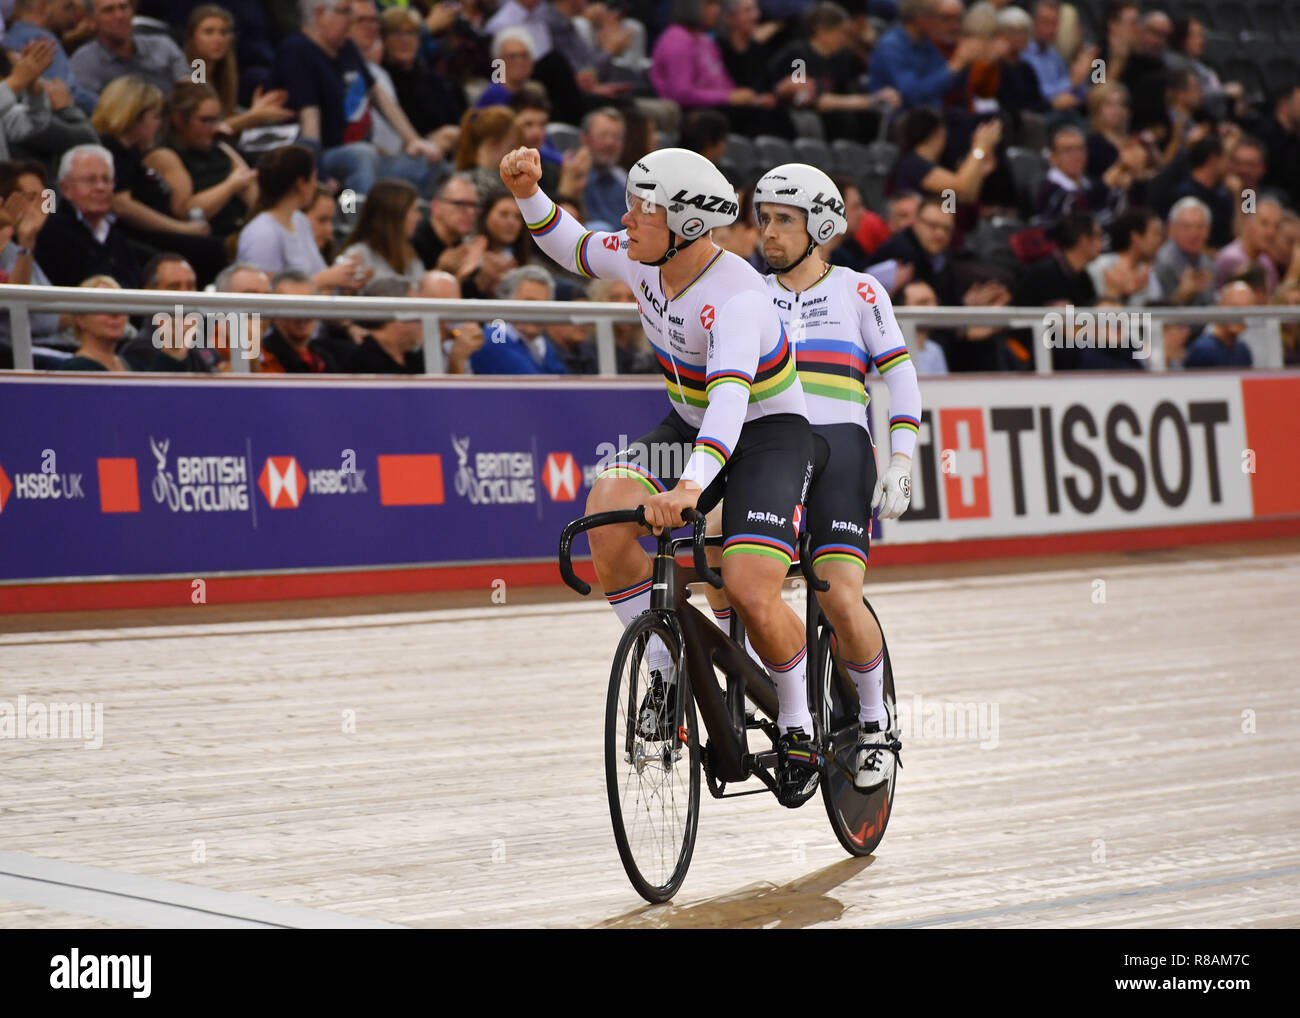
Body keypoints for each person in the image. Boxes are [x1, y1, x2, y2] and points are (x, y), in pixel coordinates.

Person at [501, 142, 829, 808]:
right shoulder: (642, 255)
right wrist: (528, 192)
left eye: (639, 211)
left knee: (747, 586)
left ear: (682, 226)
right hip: (688, 425)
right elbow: (573, 247)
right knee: (609, 506)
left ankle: (798, 720)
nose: (625, 221)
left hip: (766, 436)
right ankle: (664, 674)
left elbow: (733, 397)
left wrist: (688, 487)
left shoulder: (736, 295)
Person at [750, 163, 919, 790]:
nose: (767, 231)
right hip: (767, 447)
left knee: (838, 594)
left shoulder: (858, 291)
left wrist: (900, 459)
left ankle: (874, 719)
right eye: (763, 217)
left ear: (820, 225)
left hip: (841, 445)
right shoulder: (748, 290)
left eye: (783, 220)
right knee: (724, 575)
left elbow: (899, 376)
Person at [268, 0, 444, 197]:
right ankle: (354, 220)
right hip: (322, 157)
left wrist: (413, 140)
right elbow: (309, 122)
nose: (351, 20)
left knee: (428, 159)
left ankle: (414, 220)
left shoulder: (346, 47)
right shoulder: (297, 51)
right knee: (359, 156)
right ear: (319, 14)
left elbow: (377, 94)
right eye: (345, 12)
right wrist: (317, 174)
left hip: (366, 156)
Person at [92, 75, 228, 287]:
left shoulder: (134, 153)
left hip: (153, 233)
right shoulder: (112, 149)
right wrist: (181, 229)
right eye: (155, 117)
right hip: (134, 235)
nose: (159, 124)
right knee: (212, 250)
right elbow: (122, 205)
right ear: (135, 117)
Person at [236, 143, 367, 293]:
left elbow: (318, 281)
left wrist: (343, 277)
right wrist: (323, 280)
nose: (315, 185)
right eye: (313, 178)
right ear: (301, 184)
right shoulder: (262, 233)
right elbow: (262, 295)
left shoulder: (300, 221)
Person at [144, 81, 258, 246]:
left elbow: (255, 195)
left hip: (242, 231)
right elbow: (186, 211)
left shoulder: (221, 148)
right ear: (179, 119)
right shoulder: (165, 156)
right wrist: (230, 186)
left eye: (216, 120)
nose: (214, 128)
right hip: (207, 241)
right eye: (205, 121)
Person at [34, 142, 142, 288]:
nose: (100, 187)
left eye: (106, 180)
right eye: (90, 180)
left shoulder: (118, 237)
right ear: (66, 188)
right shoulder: (51, 232)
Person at [183, 4, 293, 137]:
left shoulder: (224, 76)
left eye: (223, 32)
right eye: (209, 32)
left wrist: (257, 112)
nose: (218, 39)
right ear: (192, 37)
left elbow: (226, 118)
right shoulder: (191, 75)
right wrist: (254, 116)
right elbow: (206, 129)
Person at [68, 0, 191, 98]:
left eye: (124, 7)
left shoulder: (163, 46)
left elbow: (191, 90)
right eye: (109, 10)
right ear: (91, 22)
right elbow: (96, 114)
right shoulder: (84, 62)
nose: (120, 16)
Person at [469, 264, 569, 374]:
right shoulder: (494, 339)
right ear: (507, 300)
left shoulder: (543, 345)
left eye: (543, 305)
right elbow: (534, 386)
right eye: (529, 302)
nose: (536, 311)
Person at [337, 176, 425, 285]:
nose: (419, 217)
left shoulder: (409, 254)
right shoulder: (357, 256)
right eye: (414, 210)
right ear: (395, 214)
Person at [260, 269, 346, 373]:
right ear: (274, 309)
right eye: (292, 306)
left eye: (308, 305)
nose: (302, 316)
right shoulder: (264, 358)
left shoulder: (326, 357)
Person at [341, 276, 424, 372]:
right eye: (416, 309)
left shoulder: (416, 358)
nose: (422, 318)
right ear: (398, 316)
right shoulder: (360, 361)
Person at [53, 275, 131, 371]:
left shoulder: (129, 364)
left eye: (120, 305)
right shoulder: (74, 370)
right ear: (81, 319)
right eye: (104, 306)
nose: (115, 313)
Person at [1214, 196, 1282, 293]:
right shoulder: (1229, 259)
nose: (1271, 232)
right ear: (1247, 223)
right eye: (1264, 223)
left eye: (1276, 226)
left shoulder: (1267, 264)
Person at [1183, 280, 1255, 368]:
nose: (1240, 315)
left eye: (1247, 310)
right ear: (1220, 306)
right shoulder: (1204, 349)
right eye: (1235, 307)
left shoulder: (1243, 351)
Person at [896, 279, 949, 374]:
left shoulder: (935, 350)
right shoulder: (890, 351)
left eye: (934, 301)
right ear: (903, 307)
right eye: (923, 302)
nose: (933, 307)